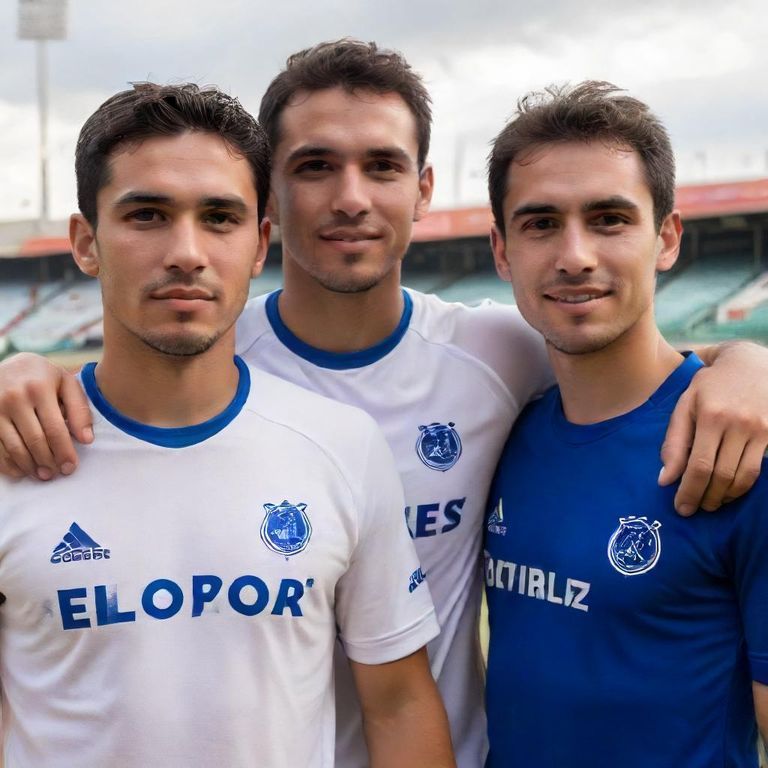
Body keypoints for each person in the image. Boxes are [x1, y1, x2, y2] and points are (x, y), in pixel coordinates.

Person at [2, 41, 768, 767]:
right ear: (273, 202)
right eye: (315, 166)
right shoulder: (211, 360)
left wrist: (746, 364)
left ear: (423, 188)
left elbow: (630, 369)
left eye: (383, 165)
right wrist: (22, 370)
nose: (351, 198)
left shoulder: (498, 356)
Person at [0, 82, 455, 768]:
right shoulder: (15, 449)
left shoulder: (341, 445)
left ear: (259, 242)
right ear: (86, 243)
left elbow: (397, 704)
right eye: (147, 215)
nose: (186, 251)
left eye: (219, 217)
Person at [484, 81, 768, 767]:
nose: (575, 256)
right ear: (501, 251)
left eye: (609, 219)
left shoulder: (739, 448)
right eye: (540, 223)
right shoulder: (502, 427)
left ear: (666, 238)